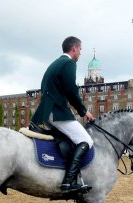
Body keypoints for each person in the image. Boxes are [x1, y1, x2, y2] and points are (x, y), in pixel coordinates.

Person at [29, 36, 95, 194]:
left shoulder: (56, 63)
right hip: (57, 111)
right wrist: (83, 111)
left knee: (71, 139)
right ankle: (68, 182)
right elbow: (71, 90)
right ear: (74, 48)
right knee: (86, 140)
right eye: (80, 49)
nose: (80, 53)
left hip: (48, 111)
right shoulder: (68, 63)